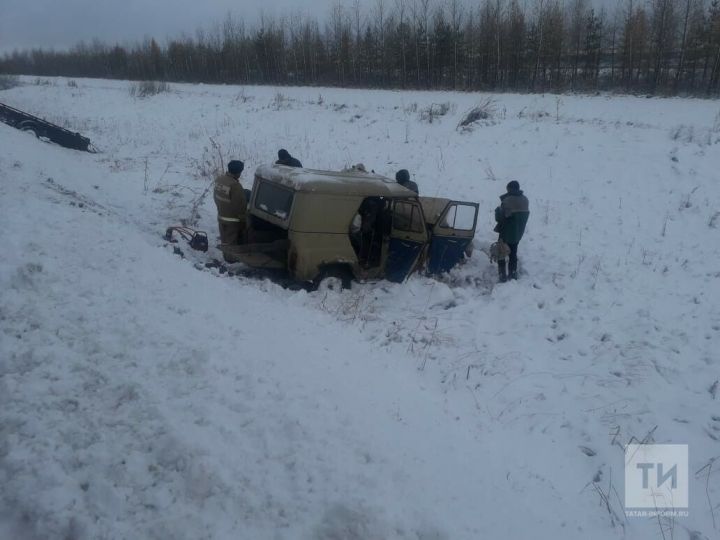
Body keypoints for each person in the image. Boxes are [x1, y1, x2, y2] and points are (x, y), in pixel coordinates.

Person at [494, 180, 529, 282]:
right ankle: (513, 274)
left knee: (501, 252)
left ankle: (502, 276)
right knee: (513, 254)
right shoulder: (525, 200)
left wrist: (498, 210)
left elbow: (500, 217)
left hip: (506, 232)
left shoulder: (507, 201)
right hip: (517, 233)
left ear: (510, 189)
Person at [213, 160, 248, 245]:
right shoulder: (235, 186)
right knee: (232, 244)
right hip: (233, 221)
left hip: (221, 217)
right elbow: (240, 206)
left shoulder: (219, 180)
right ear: (238, 173)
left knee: (224, 240)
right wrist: (244, 220)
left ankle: (226, 256)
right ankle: (230, 258)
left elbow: (215, 197)